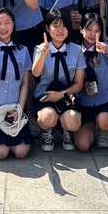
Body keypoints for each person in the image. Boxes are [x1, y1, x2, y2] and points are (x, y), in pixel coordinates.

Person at [0, 8, 33, 160]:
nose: (3, 27)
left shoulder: (23, 51)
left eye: (7, 22)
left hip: (14, 106)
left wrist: (20, 109)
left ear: (13, 24)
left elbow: (25, 83)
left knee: (21, 152)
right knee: (0, 153)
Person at [31, 10, 85, 152]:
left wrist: (61, 94)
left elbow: (79, 84)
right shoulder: (40, 48)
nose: (60, 30)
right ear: (47, 28)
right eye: (55, 26)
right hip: (45, 95)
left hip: (68, 94)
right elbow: (35, 73)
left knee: (73, 122)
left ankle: (66, 129)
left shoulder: (76, 50)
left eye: (64, 26)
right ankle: (47, 130)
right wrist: (43, 55)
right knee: (47, 117)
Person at [74, 13, 108, 150]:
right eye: (89, 29)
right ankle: (91, 127)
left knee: (104, 121)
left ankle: (104, 131)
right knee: (83, 145)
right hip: (84, 102)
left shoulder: (105, 47)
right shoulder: (75, 50)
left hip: (106, 100)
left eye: (97, 31)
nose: (92, 34)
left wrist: (104, 49)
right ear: (81, 29)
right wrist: (83, 85)